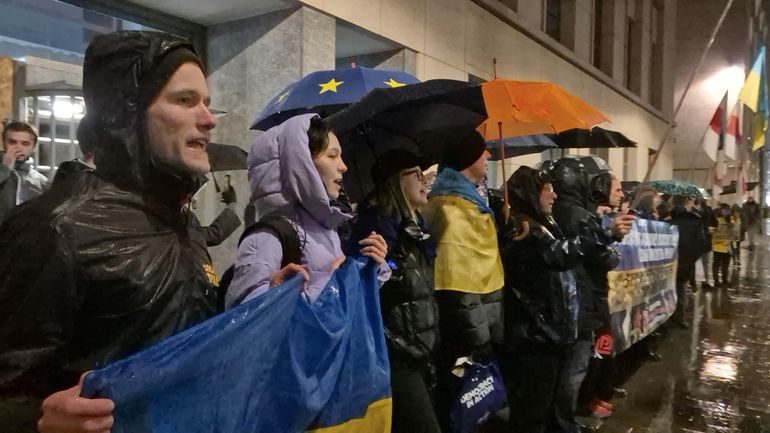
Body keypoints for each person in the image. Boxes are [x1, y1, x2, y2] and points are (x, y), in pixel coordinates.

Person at [0, 31, 300, 433]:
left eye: (207, 103)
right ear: (126, 114)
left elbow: (177, 332)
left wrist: (256, 307)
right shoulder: (53, 229)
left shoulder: (182, 223)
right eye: (184, 100)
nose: (209, 119)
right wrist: (38, 421)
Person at [225, 114, 388, 307]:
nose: (343, 167)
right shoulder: (266, 237)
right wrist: (335, 283)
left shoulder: (327, 230)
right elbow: (247, 319)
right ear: (301, 163)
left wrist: (369, 269)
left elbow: (342, 309)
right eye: (332, 156)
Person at [346, 149, 440, 433]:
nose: (425, 181)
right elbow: (367, 287)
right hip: (394, 353)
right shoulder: (376, 227)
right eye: (417, 174)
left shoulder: (417, 228)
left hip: (419, 350)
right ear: (397, 181)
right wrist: (390, 268)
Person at [496, 166, 593, 433]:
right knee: (531, 412)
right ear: (529, 194)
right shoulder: (522, 228)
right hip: (533, 336)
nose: (553, 196)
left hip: (547, 333)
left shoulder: (541, 223)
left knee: (542, 408)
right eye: (546, 190)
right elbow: (558, 255)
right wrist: (601, 235)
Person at [422, 130, 504, 430]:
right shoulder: (452, 209)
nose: (489, 156)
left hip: (476, 324)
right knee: (459, 400)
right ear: (469, 158)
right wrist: (479, 339)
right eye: (483, 151)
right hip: (464, 333)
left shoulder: (472, 203)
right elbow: (457, 284)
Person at [548, 159, 631, 423]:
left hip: (568, 302)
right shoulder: (579, 215)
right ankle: (565, 421)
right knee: (575, 370)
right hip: (584, 302)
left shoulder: (557, 212)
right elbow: (602, 256)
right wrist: (613, 239)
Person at [668, 195, 705, 327]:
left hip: (669, 262)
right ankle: (681, 317)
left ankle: (670, 316)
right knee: (681, 288)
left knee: (669, 289)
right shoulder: (695, 221)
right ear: (686, 203)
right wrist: (692, 258)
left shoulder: (668, 222)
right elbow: (701, 243)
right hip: (687, 261)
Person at [0, 121, 48, 222]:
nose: (18, 148)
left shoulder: (42, 182)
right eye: (12, 142)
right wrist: (4, 169)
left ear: (34, 147)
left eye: (25, 143)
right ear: (4, 143)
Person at [695, 198, 717, 290]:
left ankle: (705, 282)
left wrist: (709, 228)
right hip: (696, 240)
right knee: (696, 262)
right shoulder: (694, 210)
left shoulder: (708, 210)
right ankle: (695, 282)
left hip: (704, 240)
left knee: (705, 262)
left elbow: (715, 223)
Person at [712, 203, 734, 287]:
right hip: (718, 247)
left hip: (727, 247)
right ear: (721, 210)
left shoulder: (730, 220)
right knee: (716, 265)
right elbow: (713, 232)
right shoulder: (716, 219)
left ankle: (725, 280)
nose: (726, 212)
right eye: (725, 210)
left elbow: (733, 232)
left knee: (726, 265)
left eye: (728, 210)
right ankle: (716, 281)